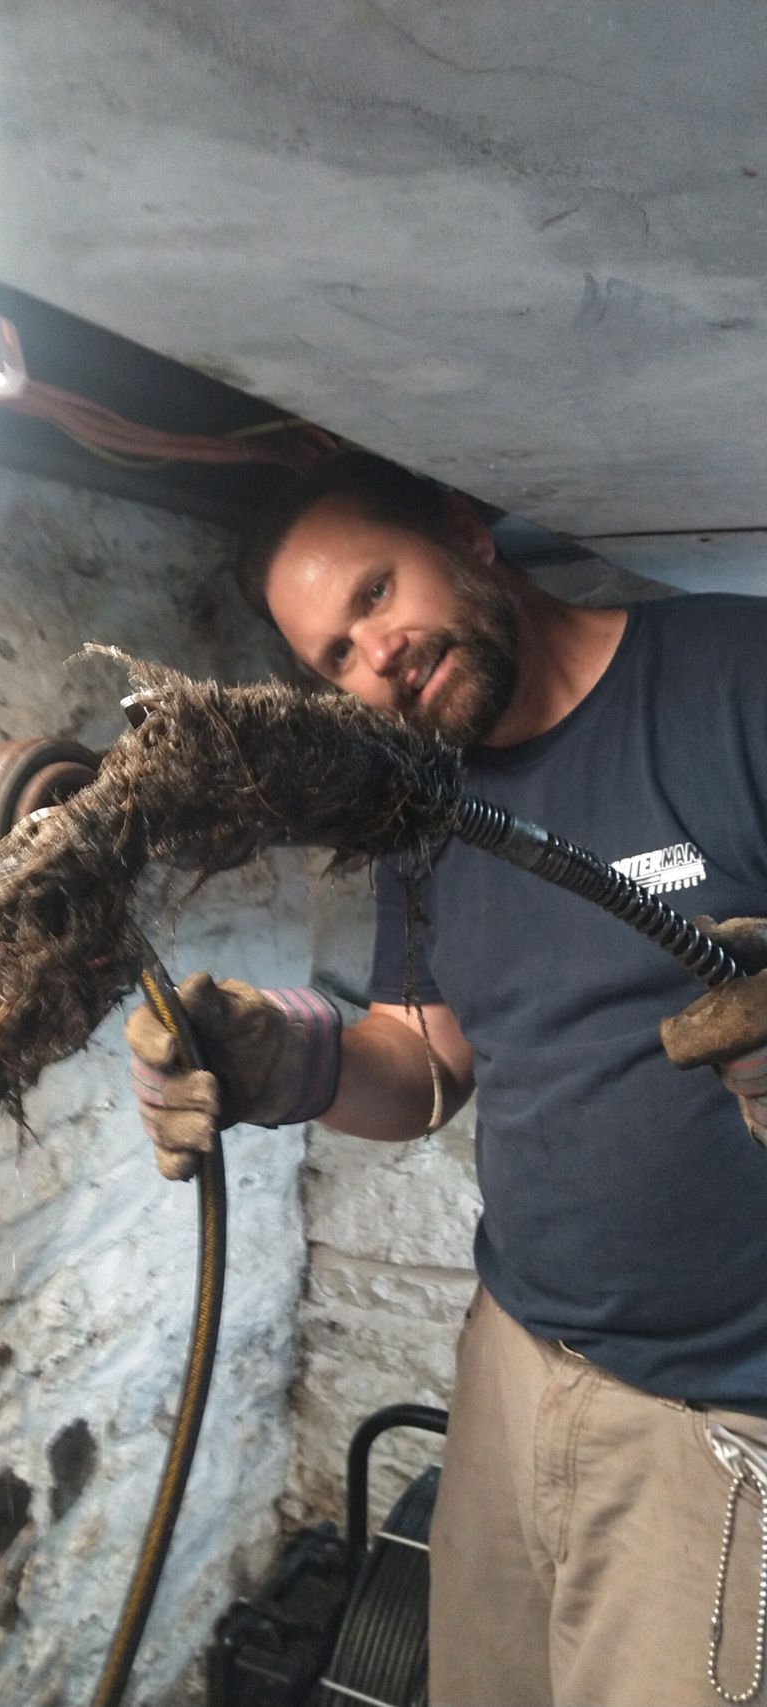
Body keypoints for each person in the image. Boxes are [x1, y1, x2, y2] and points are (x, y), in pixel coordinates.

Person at [126, 453, 767, 1707]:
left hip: (720, 1419)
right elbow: (427, 1065)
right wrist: (281, 1051)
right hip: (518, 1360)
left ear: (467, 532)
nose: (376, 656)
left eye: (376, 592)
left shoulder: (735, 678)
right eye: (333, 656)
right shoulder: (424, 798)